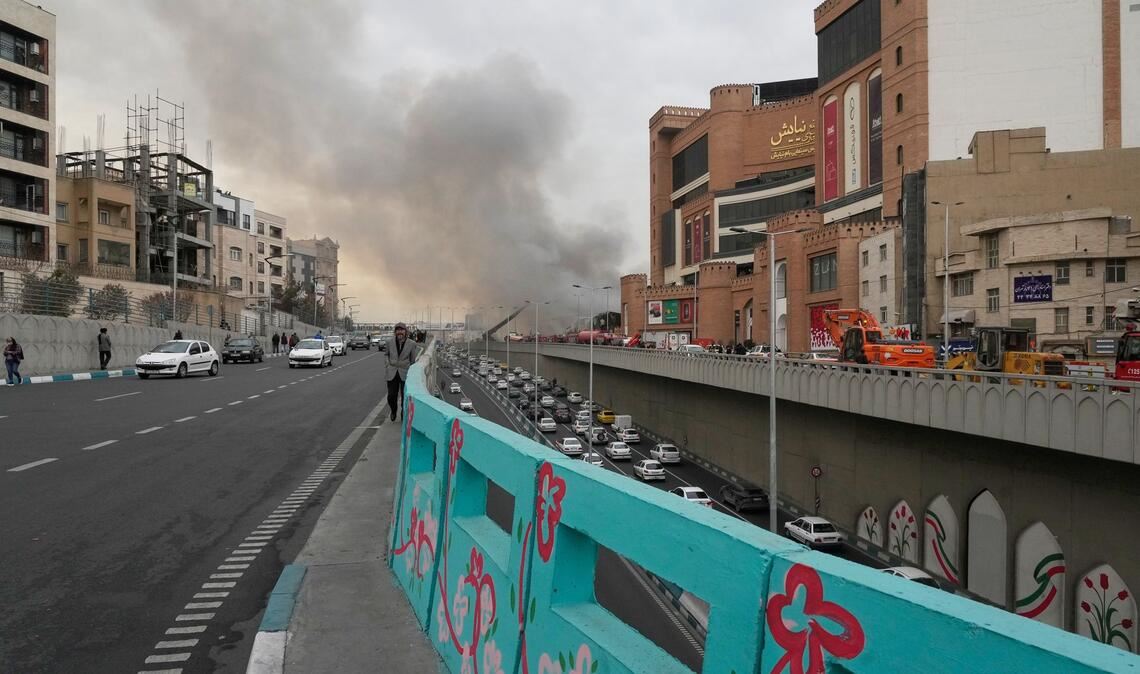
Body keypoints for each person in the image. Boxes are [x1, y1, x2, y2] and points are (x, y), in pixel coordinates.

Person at [382, 323, 419, 422]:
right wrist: (387, 365)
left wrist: (412, 373)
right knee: (391, 396)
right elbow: (386, 355)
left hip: (405, 373)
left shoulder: (412, 344)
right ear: (395, 332)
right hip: (392, 372)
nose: (399, 332)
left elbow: (412, 360)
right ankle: (393, 410)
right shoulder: (389, 342)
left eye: (402, 330)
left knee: (404, 396)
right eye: (397, 330)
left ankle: (403, 412)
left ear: (405, 332)